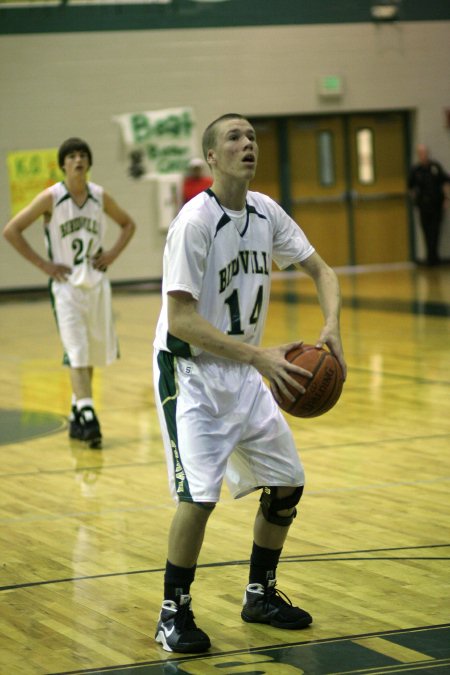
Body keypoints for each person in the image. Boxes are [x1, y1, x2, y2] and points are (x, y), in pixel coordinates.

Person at [153, 113, 346, 654]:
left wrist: (331, 327)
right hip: (190, 371)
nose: (248, 144)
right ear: (212, 157)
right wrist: (258, 356)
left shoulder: (265, 213)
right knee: (199, 496)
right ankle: (173, 613)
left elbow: (323, 272)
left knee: (287, 482)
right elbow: (181, 321)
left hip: (246, 367)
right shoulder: (194, 223)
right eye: (234, 138)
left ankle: (259, 594)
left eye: (252, 137)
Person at [3, 137, 136, 449]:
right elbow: (11, 230)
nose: (78, 160)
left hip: (96, 284)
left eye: (82, 155)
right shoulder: (52, 197)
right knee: (77, 350)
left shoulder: (100, 196)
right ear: (63, 164)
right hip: (65, 287)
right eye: (72, 156)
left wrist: (112, 255)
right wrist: (44, 265)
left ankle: (78, 410)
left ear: (88, 163)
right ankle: (88, 414)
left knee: (88, 350)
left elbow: (128, 224)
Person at [408, 144, 450, 266]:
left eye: (424, 153)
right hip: (423, 205)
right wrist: (415, 200)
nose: (423, 156)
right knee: (426, 231)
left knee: (435, 231)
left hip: (436, 205)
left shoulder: (435, 167)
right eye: (420, 154)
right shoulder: (416, 170)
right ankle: (429, 258)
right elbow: (410, 188)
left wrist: (447, 198)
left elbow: (445, 182)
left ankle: (435, 257)